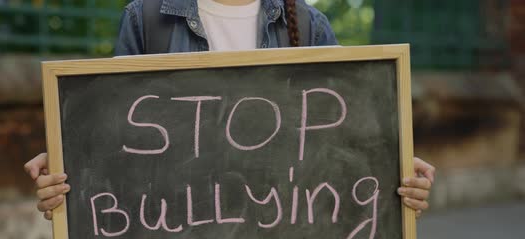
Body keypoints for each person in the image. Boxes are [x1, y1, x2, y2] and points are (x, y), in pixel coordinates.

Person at [24, 0, 436, 221]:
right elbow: (114, 153)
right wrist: (70, 167)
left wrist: (392, 167)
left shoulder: (309, 27)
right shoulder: (147, 20)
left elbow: (346, 147)